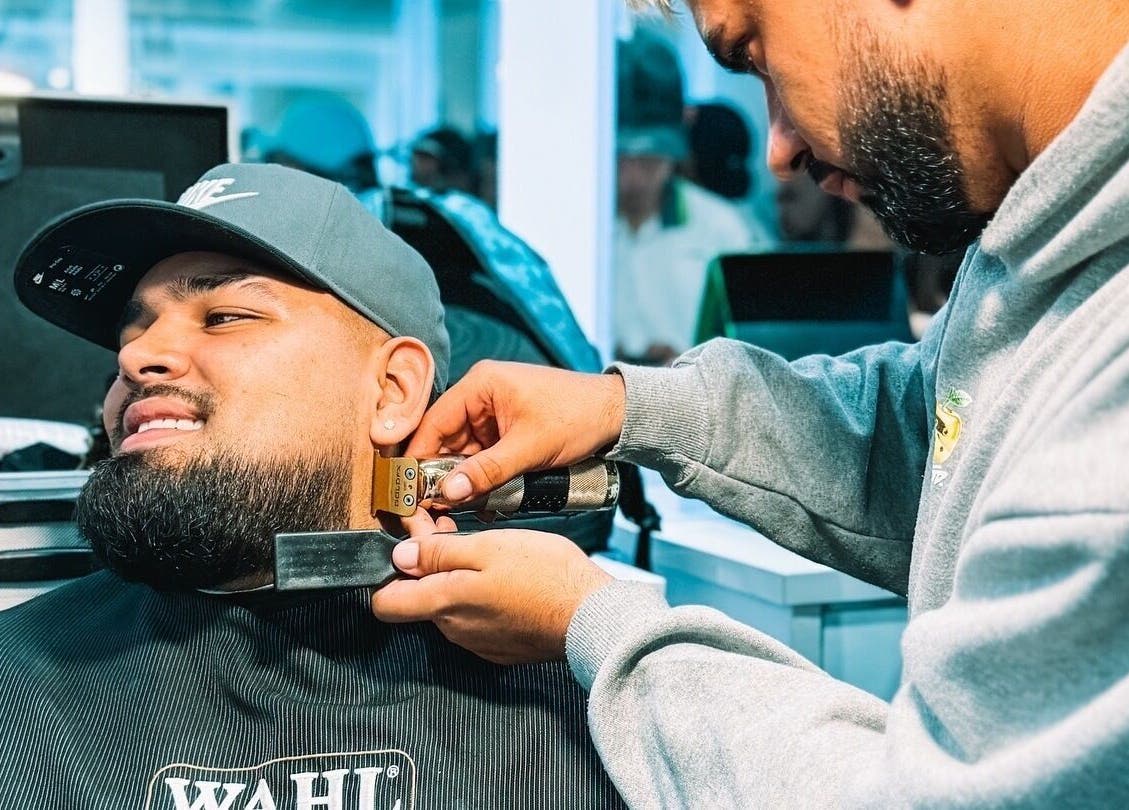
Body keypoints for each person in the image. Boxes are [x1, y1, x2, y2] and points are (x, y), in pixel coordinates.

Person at [371, 0, 1129, 806]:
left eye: (755, 55)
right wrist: (630, 409)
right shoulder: (1040, 248)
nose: (778, 148)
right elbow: (934, 435)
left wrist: (595, 627)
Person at [0, 163, 625, 808]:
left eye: (224, 316)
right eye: (132, 333)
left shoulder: (588, 690)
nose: (134, 357)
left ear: (392, 392)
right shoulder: (20, 688)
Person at [613, 30, 769, 365]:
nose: (635, 173)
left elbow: (760, 358)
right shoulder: (574, 232)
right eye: (622, 156)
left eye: (650, 156)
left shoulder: (726, 233)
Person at [409, 125, 474, 194]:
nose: (417, 164)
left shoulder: (457, 200)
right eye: (417, 158)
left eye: (425, 159)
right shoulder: (406, 195)